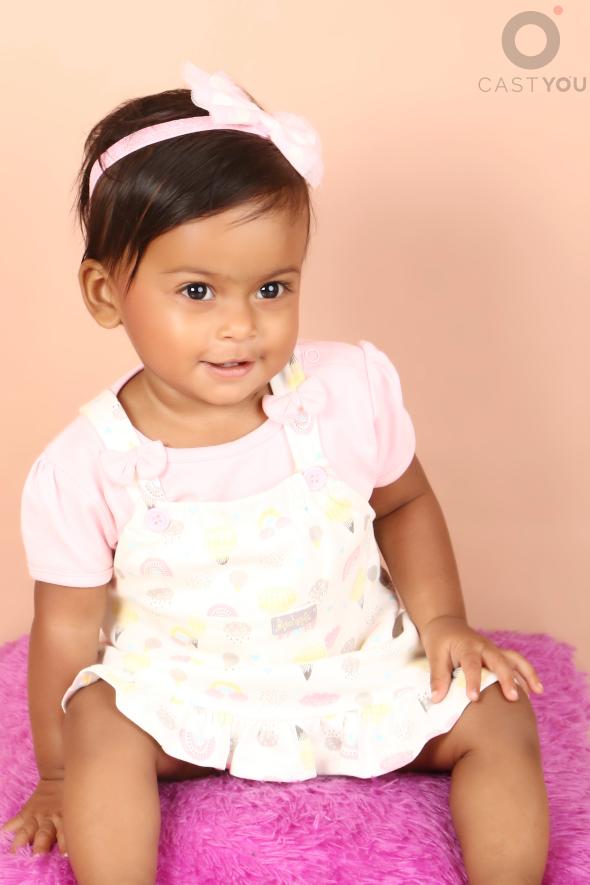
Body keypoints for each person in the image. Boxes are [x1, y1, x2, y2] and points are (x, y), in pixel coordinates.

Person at [1, 61, 549, 884]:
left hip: (356, 667)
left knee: (500, 709)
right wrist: (57, 773)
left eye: (271, 287)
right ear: (106, 292)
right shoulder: (87, 465)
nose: (241, 325)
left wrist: (442, 622)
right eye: (197, 291)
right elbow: (68, 633)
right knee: (102, 719)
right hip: (186, 693)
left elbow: (405, 502)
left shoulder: (344, 393)